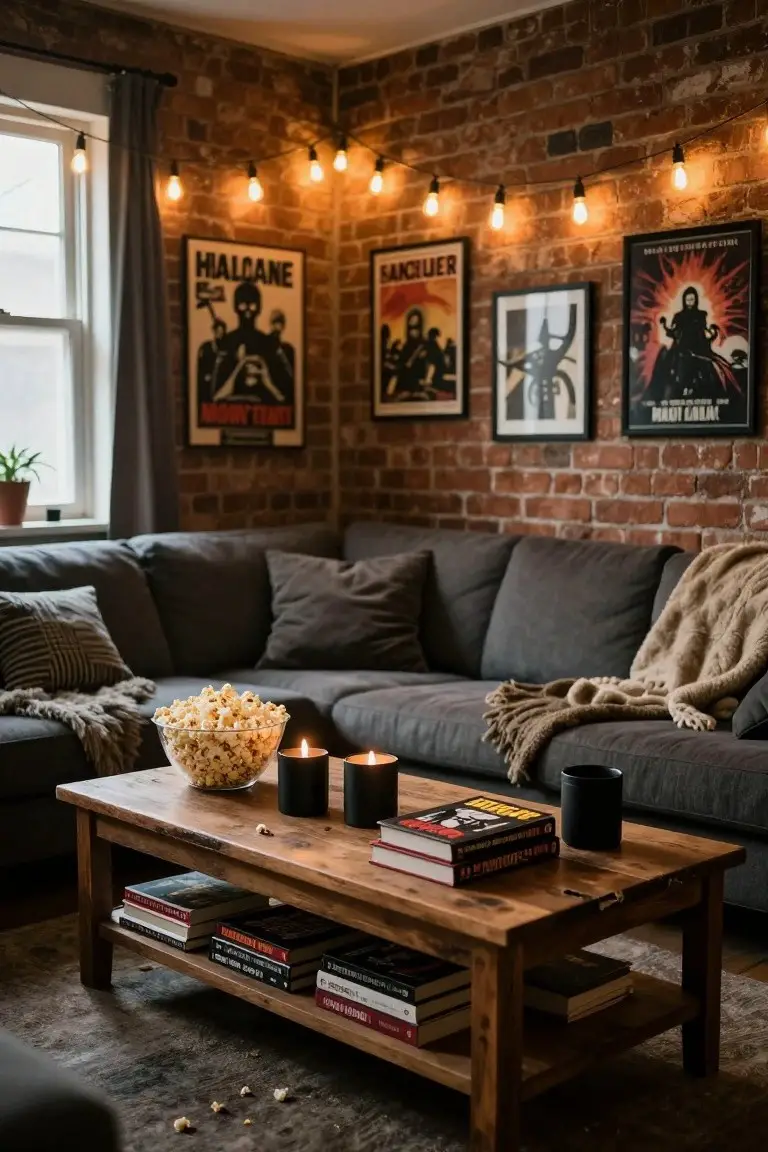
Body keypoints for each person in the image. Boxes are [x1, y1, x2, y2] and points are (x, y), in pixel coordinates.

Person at [645, 285, 740, 406]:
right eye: (688, 300)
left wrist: (711, 334)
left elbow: (704, 331)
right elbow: (673, 333)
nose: (690, 302)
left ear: (696, 300)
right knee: (670, 365)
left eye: (692, 299)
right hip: (682, 348)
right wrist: (665, 327)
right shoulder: (679, 316)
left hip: (699, 347)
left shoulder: (701, 315)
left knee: (711, 369)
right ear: (684, 300)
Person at [213, 281, 284, 404]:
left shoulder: (267, 342)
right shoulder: (227, 341)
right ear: (236, 307)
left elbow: (282, 394)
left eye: (252, 305)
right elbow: (216, 394)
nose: (247, 310)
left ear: (259, 307)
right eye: (242, 305)